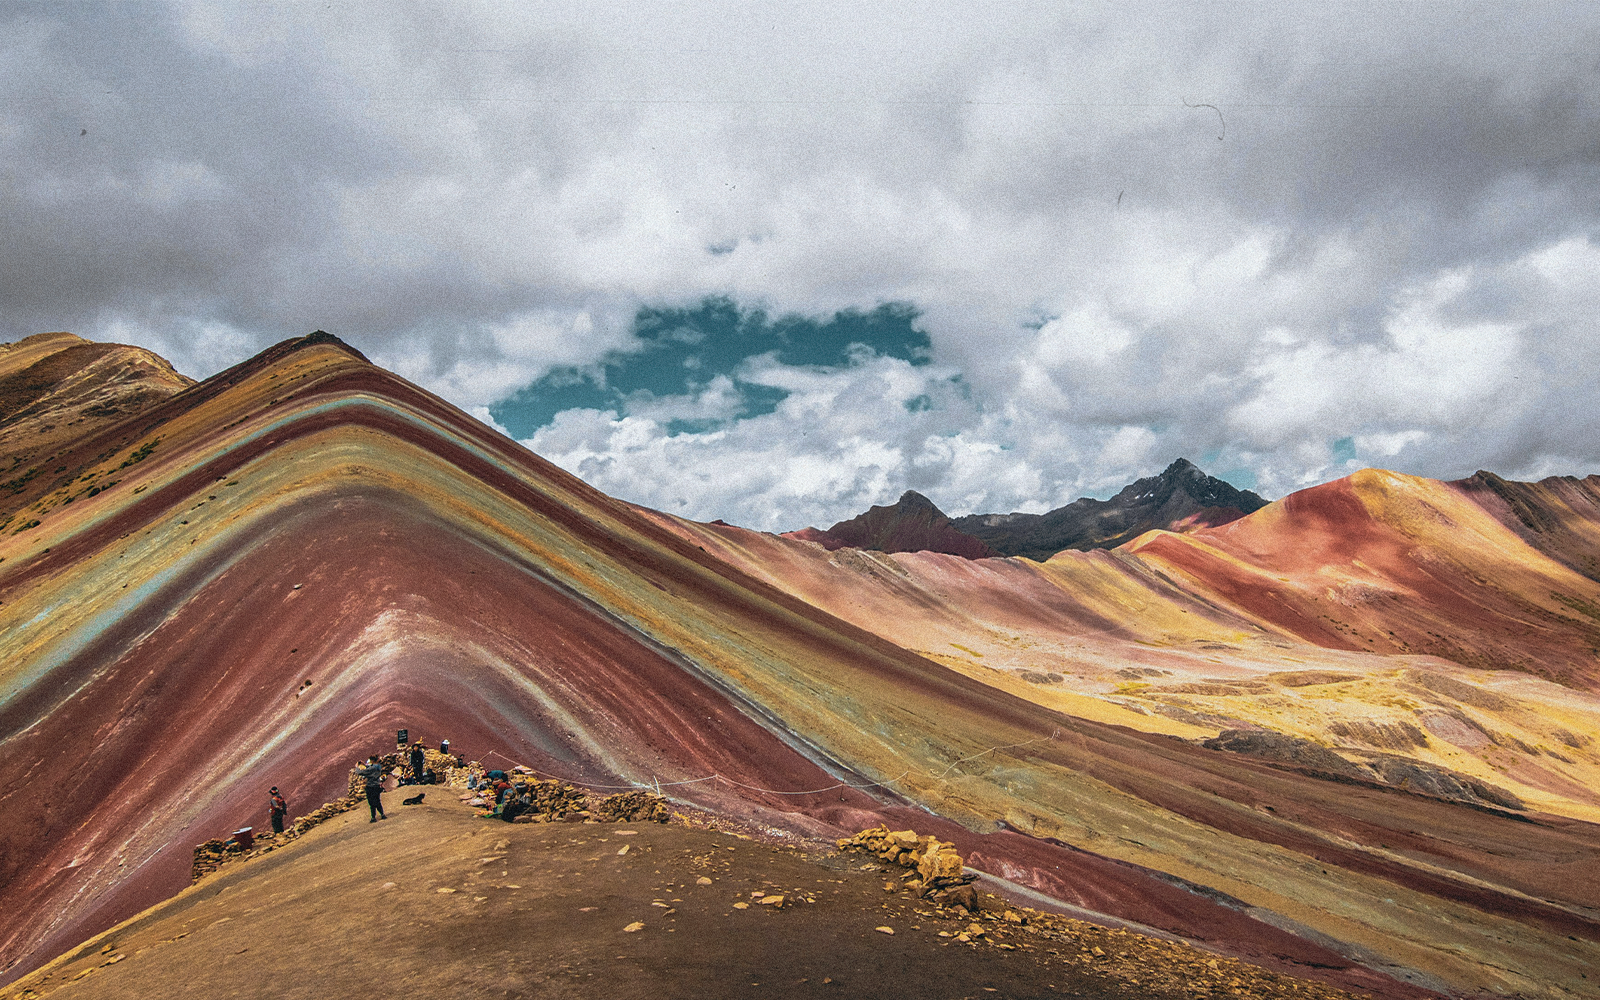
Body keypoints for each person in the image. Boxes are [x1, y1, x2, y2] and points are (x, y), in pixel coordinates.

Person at [358, 756, 387, 822]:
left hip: (371, 787)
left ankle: (373, 817)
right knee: (377, 801)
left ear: (372, 761)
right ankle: (382, 814)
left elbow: (361, 772)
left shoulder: (373, 768)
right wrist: (365, 765)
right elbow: (369, 767)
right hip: (377, 786)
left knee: (371, 802)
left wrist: (357, 767)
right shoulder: (378, 766)